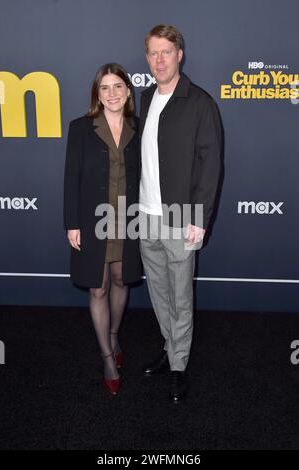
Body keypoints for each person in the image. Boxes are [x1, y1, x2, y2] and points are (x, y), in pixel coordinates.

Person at [139, 25, 222, 402]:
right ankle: (170, 346)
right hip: (145, 215)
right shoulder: (145, 99)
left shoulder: (200, 102)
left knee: (181, 295)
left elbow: (210, 167)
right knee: (158, 293)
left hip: (182, 217)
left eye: (166, 52)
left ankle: (179, 365)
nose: (159, 60)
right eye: (153, 53)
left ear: (180, 55)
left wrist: (199, 220)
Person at [64, 63, 141, 395]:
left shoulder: (140, 127)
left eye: (118, 87)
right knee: (98, 287)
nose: (112, 94)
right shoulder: (81, 128)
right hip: (93, 218)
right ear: (98, 93)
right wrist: (72, 223)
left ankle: (113, 333)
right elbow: (72, 178)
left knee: (122, 279)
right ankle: (108, 357)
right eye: (105, 88)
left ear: (128, 91)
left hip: (129, 218)